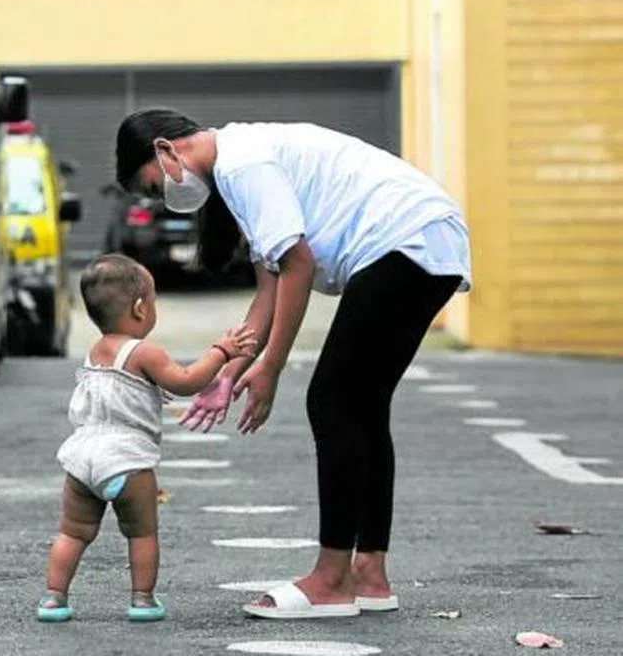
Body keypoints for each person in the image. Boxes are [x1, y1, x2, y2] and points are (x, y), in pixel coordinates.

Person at [114, 108, 471, 620]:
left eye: (150, 188)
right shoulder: (239, 171)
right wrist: (232, 372)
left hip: (405, 240)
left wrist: (274, 369)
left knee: (332, 400)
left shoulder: (242, 164)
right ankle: (369, 574)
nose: (162, 200)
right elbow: (270, 291)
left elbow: (298, 265)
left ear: (165, 151)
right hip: (425, 238)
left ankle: (330, 580)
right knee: (363, 406)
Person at [38, 253, 256, 623]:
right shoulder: (146, 352)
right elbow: (187, 381)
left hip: (81, 458)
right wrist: (222, 352)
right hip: (127, 458)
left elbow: (119, 390)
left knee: (72, 533)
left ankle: (54, 598)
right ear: (140, 309)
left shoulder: (97, 350)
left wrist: (151, 390)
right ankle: (142, 599)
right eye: (153, 300)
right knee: (141, 533)